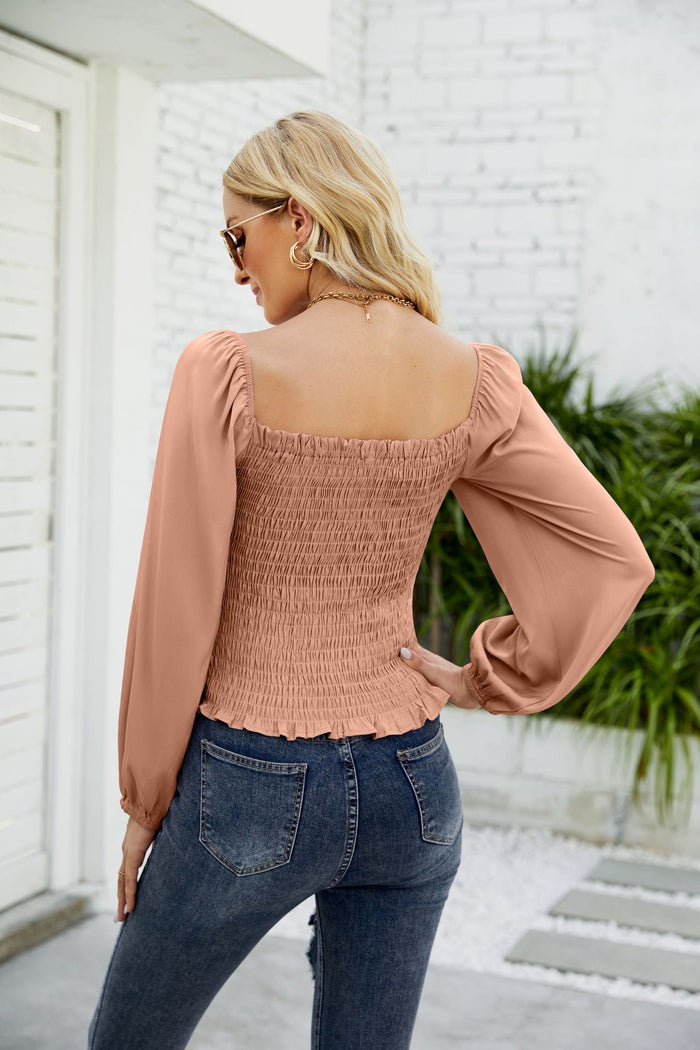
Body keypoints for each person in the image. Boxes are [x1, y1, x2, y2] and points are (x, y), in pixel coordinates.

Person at [87, 110, 655, 1049]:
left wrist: (145, 806)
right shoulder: (472, 377)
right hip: (414, 786)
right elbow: (611, 557)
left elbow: (174, 612)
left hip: (251, 788)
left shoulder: (227, 371)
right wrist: (487, 679)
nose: (237, 268)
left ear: (299, 219)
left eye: (238, 237)